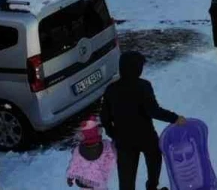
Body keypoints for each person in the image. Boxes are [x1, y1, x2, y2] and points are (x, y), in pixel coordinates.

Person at [100, 51, 186, 190]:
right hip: (146, 137)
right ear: (136, 68)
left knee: (126, 178)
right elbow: (153, 111)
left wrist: (114, 134)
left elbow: (104, 117)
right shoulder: (143, 86)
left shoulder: (111, 89)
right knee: (154, 159)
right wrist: (175, 118)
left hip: (124, 140)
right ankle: (152, 187)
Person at [66, 116, 116, 189]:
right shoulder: (107, 147)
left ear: (81, 135)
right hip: (99, 182)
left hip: (84, 181)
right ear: (99, 131)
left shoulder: (78, 151)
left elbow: (74, 164)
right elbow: (114, 154)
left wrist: (70, 177)